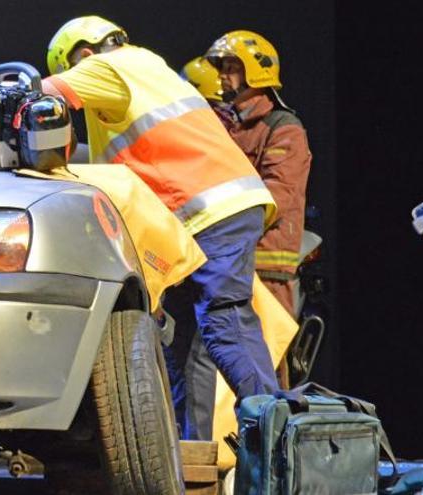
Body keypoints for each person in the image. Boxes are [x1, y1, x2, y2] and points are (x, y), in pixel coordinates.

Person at [42, 15, 279, 441]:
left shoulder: (107, 67)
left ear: (82, 54)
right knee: (181, 344)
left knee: (226, 324)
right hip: (211, 216)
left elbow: (38, 95)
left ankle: (281, 445)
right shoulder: (144, 68)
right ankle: (187, 450)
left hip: (210, 214)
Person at [206, 30, 312, 316]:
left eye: (231, 68)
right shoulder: (230, 126)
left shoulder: (283, 128)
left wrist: (226, 228)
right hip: (230, 263)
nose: (223, 77)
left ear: (255, 72)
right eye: (222, 69)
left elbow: (278, 193)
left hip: (266, 268)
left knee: (264, 357)